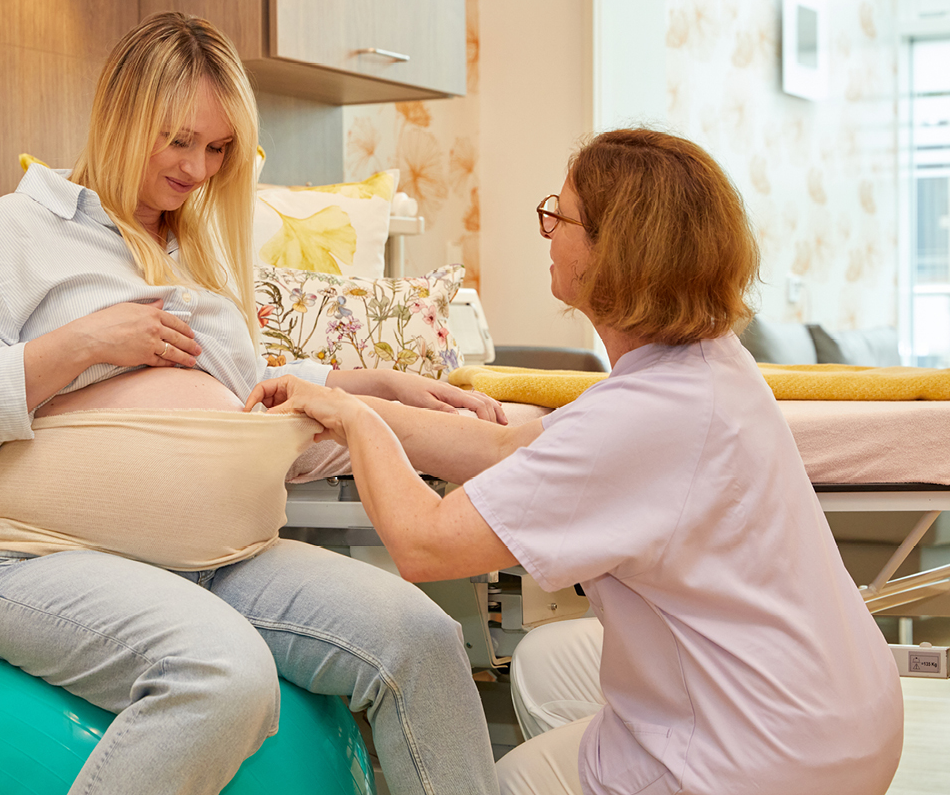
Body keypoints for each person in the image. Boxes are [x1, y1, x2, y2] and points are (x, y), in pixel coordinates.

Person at [0, 12, 504, 795]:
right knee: (224, 675)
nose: (199, 169)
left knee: (422, 638)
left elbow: (249, 420)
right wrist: (83, 342)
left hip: (219, 561)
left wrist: (375, 389)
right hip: (39, 560)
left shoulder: (204, 258)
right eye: (179, 141)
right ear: (121, 116)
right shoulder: (10, 233)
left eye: (219, 149)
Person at [248, 128, 906, 795]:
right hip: (844, 711)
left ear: (614, 254)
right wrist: (351, 394)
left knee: (511, 784)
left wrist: (358, 423)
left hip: (768, 761)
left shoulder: (640, 419)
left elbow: (425, 545)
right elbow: (507, 448)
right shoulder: (707, 363)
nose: (548, 231)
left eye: (559, 216)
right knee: (542, 665)